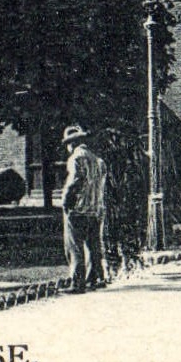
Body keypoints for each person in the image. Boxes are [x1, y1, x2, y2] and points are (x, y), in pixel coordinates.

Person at [60, 124, 108, 292]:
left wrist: (66, 201)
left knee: (75, 246)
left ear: (72, 143)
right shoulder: (98, 160)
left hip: (78, 209)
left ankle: (77, 282)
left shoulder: (76, 158)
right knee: (93, 245)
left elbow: (75, 181)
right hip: (95, 209)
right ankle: (94, 279)